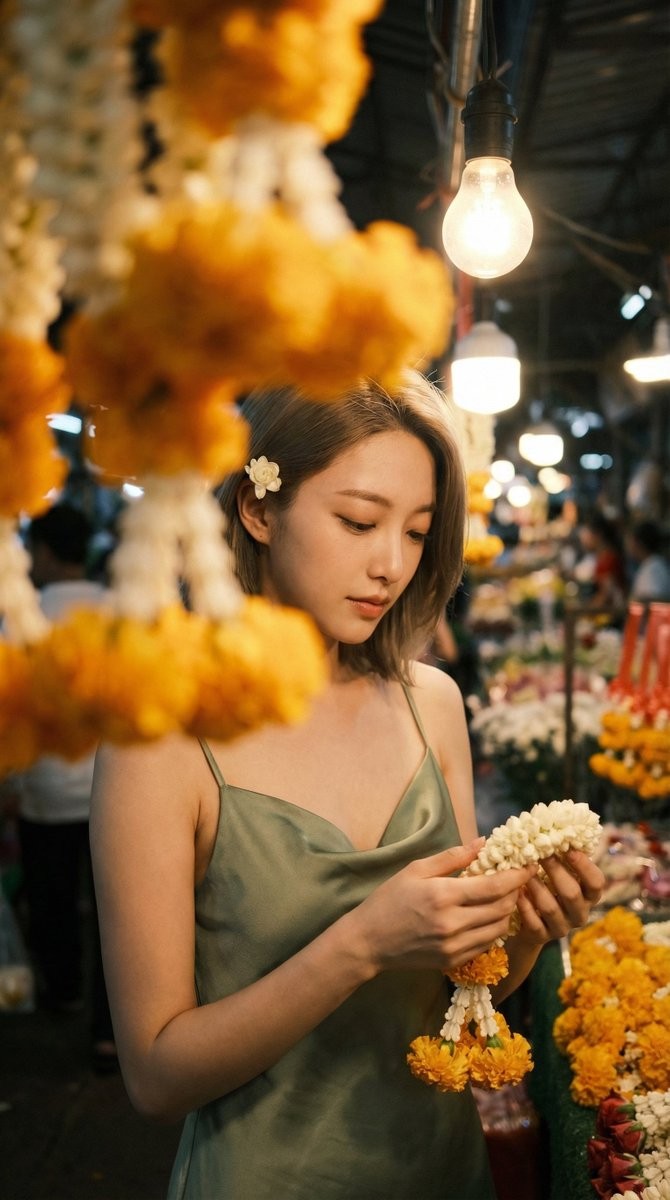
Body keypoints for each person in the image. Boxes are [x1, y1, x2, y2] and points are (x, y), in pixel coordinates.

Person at [90, 372, 604, 1200]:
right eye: (359, 522)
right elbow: (155, 1074)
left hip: (442, 1170)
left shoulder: (428, 702)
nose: (391, 565)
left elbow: (463, 984)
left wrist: (532, 931)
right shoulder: (161, 736)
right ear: (258, 510)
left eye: (417, 532)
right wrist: (361, 944)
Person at [16, 503, 117, 1070]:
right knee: (115, 913)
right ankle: (109, 1030)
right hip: (113, 784)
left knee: (53, 901)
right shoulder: (116, 609)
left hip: (46, 788)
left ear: (48, 552)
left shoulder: (24, 617)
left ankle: (64, 990)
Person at [575, 510, 627, 619]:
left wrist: (584, 614)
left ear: (598, 535)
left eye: (587, 534)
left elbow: (606, 596)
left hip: (611, 619)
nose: (584, 539)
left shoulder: (608, 559)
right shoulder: (604, 557)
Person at [626, 518, 670, 604]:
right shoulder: (650, 564)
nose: (628, 545)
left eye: (630, 540)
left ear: (638, 543)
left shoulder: (654, 568)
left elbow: (656, 600)